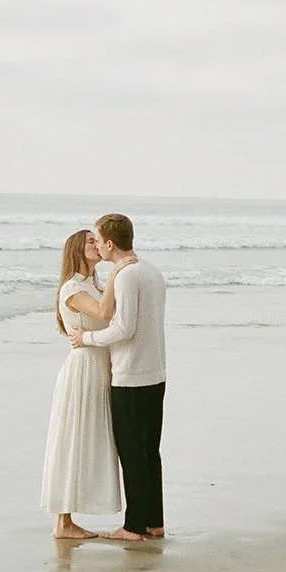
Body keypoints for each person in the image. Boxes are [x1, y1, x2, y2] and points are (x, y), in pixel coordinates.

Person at [69, 213, 167, 542]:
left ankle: (133, 527)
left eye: (97, 240)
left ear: (110, 244)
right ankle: (154, 522)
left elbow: (123, 328)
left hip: (130, 375)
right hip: (156, 373)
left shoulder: (126, 276)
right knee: (150, 452)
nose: (95, 245)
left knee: (132, 453)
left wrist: (87, 339)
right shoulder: (151, 271)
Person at [41, 229, 135, 539]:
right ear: (77, 251)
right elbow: (103, 312)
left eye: (97, 240)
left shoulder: (92, 284)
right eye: (91, 242)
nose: (98, 245)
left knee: (87, 440)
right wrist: (118, 270)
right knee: (71, 439)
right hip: (82, 370)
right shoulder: (72, 288)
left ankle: (67, 520)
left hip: (100, 368)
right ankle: (62, 522)